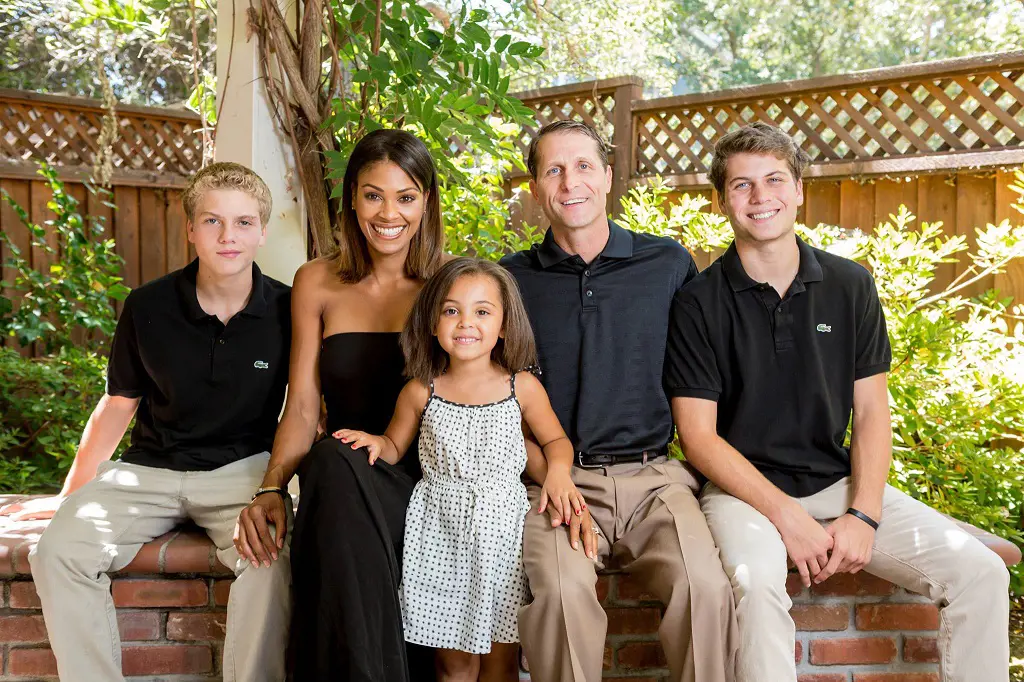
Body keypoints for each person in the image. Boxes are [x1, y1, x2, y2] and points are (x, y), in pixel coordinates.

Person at [666, 121, 1011, 682]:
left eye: (774, 180)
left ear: (799, 189)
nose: (761, 197)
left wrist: (864, 514)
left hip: (836, 483)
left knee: (981, 571)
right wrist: (787, 516)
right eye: (742, 185)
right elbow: (698, 437)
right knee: (754, 589)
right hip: (742, 495)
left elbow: (873, 413)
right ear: (721, 199)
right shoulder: (698, 303)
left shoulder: (851, 286)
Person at [0, 162, 293, 682]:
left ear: (262, 230)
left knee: (271, 564)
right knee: (58, 553)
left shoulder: (288, 310)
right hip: (148, 473)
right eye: (212, 221)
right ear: (190, 229)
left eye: (244, 222)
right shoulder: (148, 305)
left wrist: (283, 488)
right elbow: (118, 404)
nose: (228, 236)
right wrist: (70, 496)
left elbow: (303, 410)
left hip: (242, 474)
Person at [500, 119, 738, 682]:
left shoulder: (667, 264)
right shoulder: (509, 281)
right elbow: (495, 401)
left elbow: (701, 377)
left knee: (704, 587)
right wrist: (549, 473)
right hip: (554, 481)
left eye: (583, 166)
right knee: (558, 595)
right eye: (553, 170)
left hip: (655, 480)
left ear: (608, 177)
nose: (569, 182)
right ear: (535, 187)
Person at [235, 129, 444, 682]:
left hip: (427, 485)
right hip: (342, 481)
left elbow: (491, 394)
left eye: (406, 197)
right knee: (330, 462)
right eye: (373, 194)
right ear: (351, 197)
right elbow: (302, 407)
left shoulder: (451, 284)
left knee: (332, 477)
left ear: (427, 202)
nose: (388, 213)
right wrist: (273, 485)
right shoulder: (316, 282)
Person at [332, 257, 593, 682]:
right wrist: (377, 443)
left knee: (500, 658)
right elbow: (397, 445)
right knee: (451, 662)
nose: (465, 322)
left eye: (482, 312)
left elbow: (555, 441)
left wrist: (560, 472)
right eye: (451, 310)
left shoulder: (520, 387)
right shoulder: (422, 389)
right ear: (433, 323)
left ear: (505, 326)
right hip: (440, 535)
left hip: (502, 536)